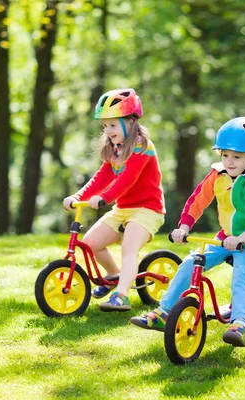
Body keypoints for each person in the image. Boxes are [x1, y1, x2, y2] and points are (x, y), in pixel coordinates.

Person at [130, 117, 245, 346]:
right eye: (225, 155)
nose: (230, 161)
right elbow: (197, 201)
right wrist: (184, 227)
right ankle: (164, 313)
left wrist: (244, 237)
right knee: (190, 262)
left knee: (241, 277)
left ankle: (239, 323)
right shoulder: (218, 175)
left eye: (237, 157)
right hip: (224, 237)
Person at [63, 88, 165, 312]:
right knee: (90, 244)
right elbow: (102, 177)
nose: (107, 131)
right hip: (124, 208)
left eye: (112, 125)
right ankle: (114, 275)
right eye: (105, 126)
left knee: (129, 247)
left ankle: (121, 295)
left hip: (147, 209)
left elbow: (128, 179)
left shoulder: (142, 146)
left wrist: (105, 198)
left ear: (129, 121)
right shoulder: (114, 148)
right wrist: (79, 197)